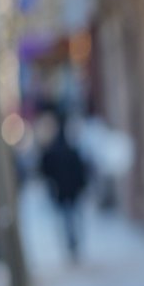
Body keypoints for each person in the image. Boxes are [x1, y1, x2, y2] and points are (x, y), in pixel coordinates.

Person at [37, 110, 91, 263]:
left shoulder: (53, 151)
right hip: (71, 192)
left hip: (62, 192)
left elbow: (45, 171)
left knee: (67, 218)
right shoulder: (71, 150)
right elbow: (80, 170)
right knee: (73, 217)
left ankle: (71, 243)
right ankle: (74, 243)